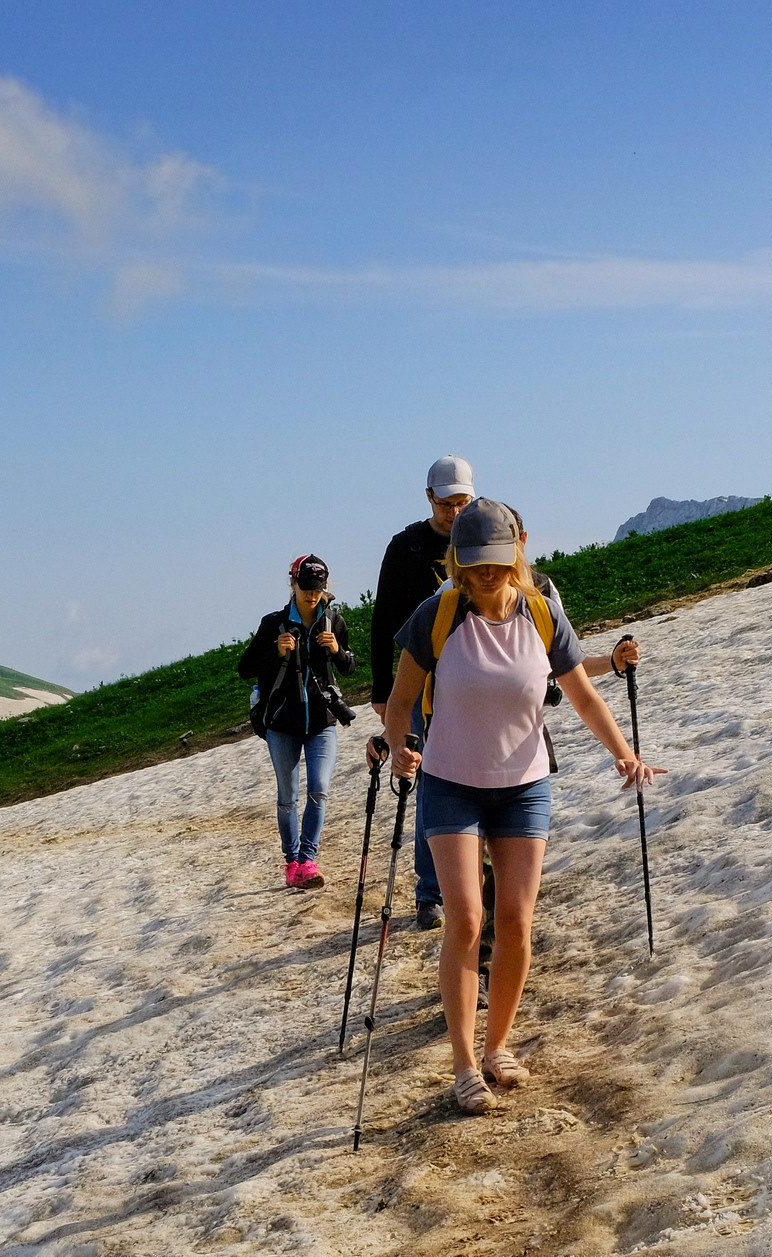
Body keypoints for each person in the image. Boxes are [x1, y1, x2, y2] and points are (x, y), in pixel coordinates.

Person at [378, 499, 657, 1114]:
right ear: (457, 561)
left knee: (516, 921)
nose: (486, 573)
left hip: (524, 785)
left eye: (497, 561)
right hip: (450, 782)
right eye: (474, 562)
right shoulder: (436, 615)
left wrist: (624, 754)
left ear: (517, 555)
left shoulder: (543, 613)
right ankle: (463, 1065)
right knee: (466, 918)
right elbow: (398, 701)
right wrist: (399, 748)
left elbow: (582, 696)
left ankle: (497, 1047)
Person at [371, 455, 477, 929]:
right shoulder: (405, 547)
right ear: (429, 497)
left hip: (473, 680)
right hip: (418, 683)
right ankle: (430, 893)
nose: (454, 513)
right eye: (446, 503)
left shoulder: (482, 534)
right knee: (429, 779)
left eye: (462, 502)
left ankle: (473, 879)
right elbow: (382, 620)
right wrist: (382, 690)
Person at [239, 554, 356, 889]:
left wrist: (337, 650)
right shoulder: (273, 624)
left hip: (322, 722)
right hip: (281, 724)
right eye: (306, 588)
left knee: (319, 789)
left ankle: (307, 860)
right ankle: (291, 863)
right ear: (293, 583)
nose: (312, 595)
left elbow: (349, 667)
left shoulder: (333, 622)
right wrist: (274, 651)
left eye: (317, 589)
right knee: (287, 796)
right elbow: (245, 669)